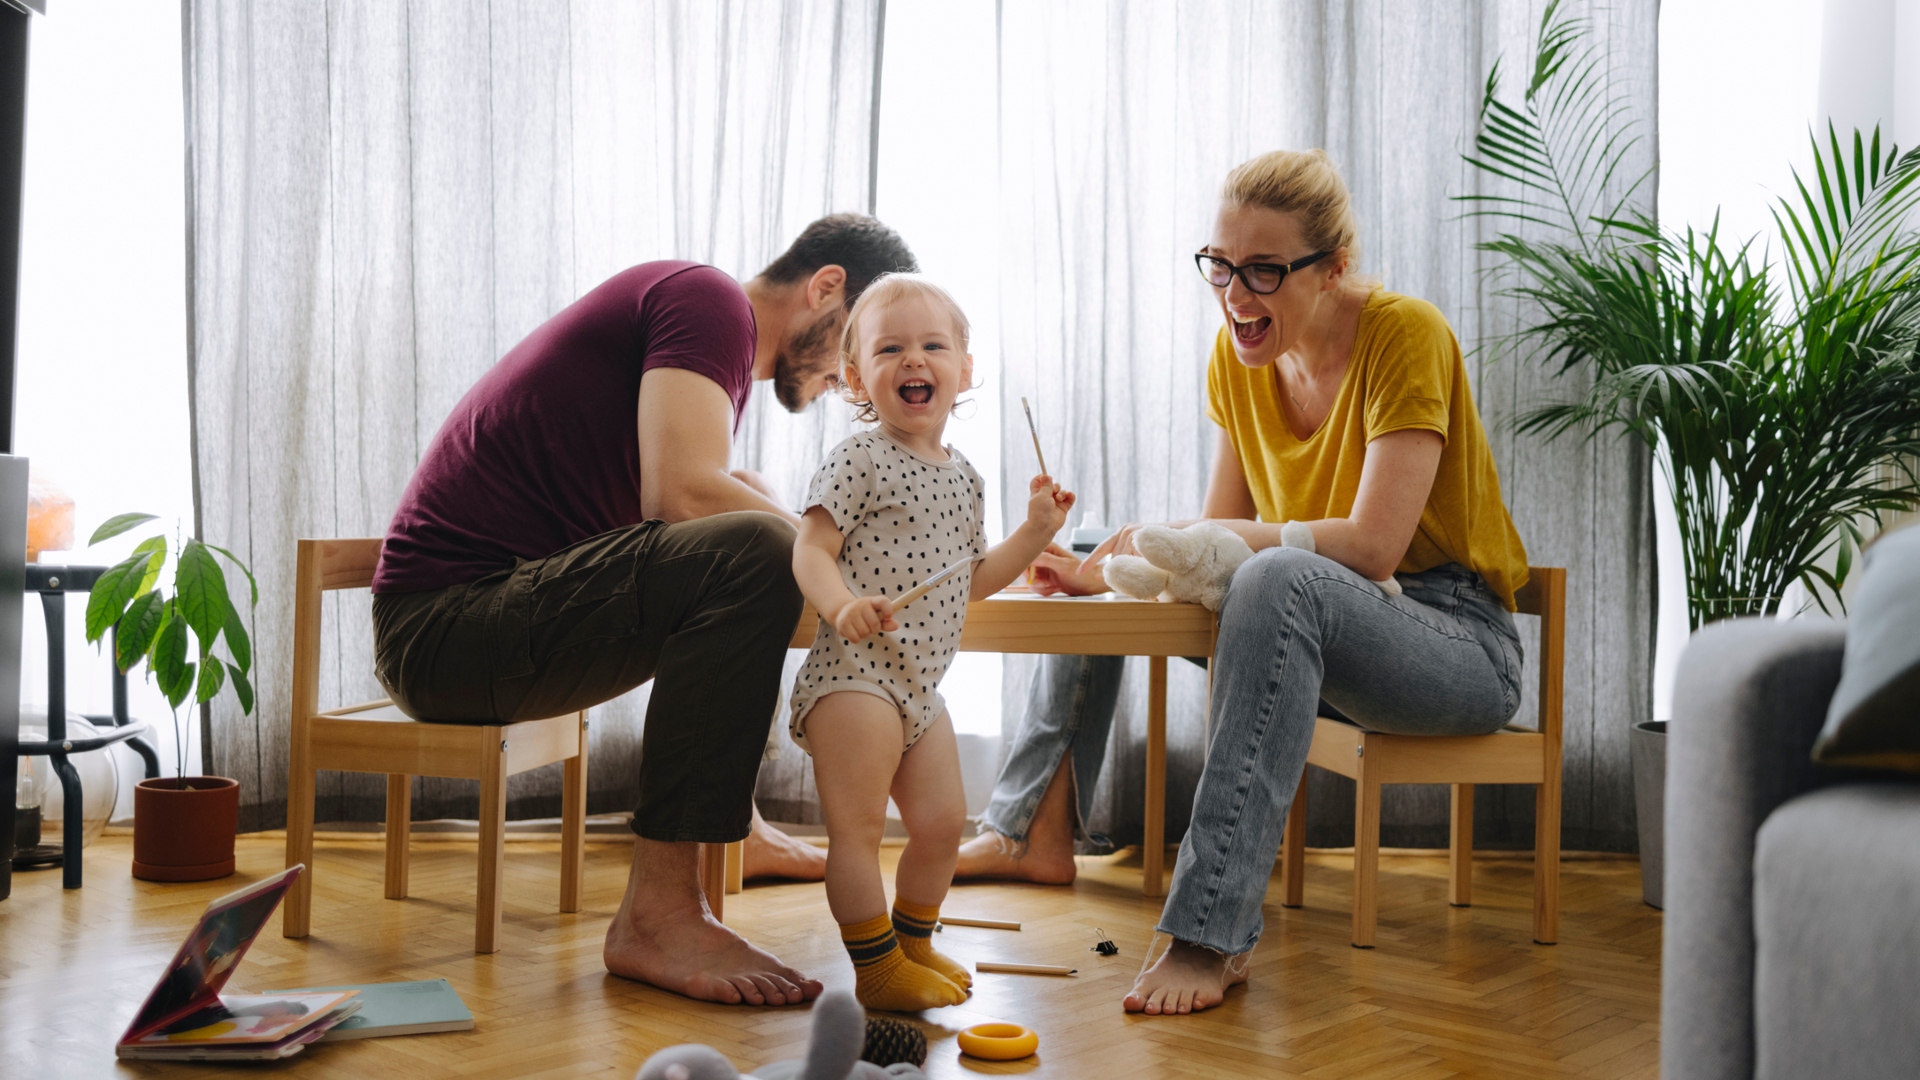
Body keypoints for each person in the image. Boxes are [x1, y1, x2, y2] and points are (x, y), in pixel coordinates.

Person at [954, 149, 1531, 1015]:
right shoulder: (1238, 359)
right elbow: (1212, 548)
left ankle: (1209, 933)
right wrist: (1107, 569)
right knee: (1093, 541)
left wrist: (1199, 540)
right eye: (1221, 266)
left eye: (1263, 270)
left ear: (1333, 268)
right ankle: (1029, 827)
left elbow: (1372, 548)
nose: (1235, 294)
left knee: (1272, 578)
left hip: (1452, 641)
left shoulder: (1405, 334)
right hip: (1307, 622)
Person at [370, 214, 917, 1007]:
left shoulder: (702, 352)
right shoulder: (708, 301)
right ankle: (659, 914)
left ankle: (744, 831)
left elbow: (684, 524)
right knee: (757, 553)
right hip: (449, 627)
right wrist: (823, 556)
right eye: (857, 345)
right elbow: (683, 492)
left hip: (481, 621)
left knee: (751, 544)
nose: (850, 380)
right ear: (826, 287)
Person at [788, 275, 1074, 1012]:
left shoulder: (968, 479)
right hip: (855, 674)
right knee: (854, 834)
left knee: (945, 824)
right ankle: (878, 970)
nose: (914, 359)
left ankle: (913, 945)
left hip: (919, 686)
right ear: (857, 378)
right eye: (891, 349)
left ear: (964, 370)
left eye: (932, 346)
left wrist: (1035, 534)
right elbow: (809, 551)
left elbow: (972, 579)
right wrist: (842, 603)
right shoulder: (860, 459)